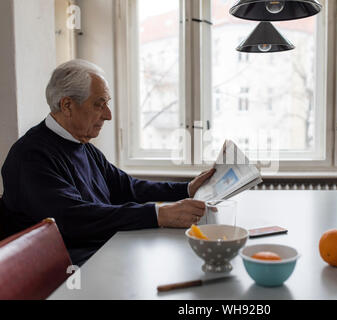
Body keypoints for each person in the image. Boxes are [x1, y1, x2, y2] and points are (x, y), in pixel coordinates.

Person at [0, 59, 215, 266]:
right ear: (67, 105)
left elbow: (127, 188)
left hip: (100, 253)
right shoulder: (31, 156)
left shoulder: (82, 146)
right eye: (99, 104)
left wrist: (187, 189)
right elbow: (74, 219)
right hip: (64, 273)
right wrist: (158, 214)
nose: (108, 115)